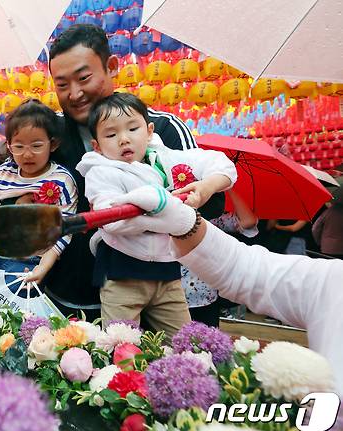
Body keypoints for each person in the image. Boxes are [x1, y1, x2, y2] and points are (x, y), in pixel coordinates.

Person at [107, 184, 343, 394]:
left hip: (203, 298)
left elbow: (247, 224)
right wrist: (183, 222)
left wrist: (228, 184)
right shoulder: (332, 280)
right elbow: (243, 268)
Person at [44, 24, 212, 319]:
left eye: (84, 78)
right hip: (69, 299)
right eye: (61, 85)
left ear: (111, 67)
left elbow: (202, 204)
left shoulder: (162, 130)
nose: (74, 93)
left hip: (156, 296)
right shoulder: (49, 136)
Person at [75, 93, 236, 333]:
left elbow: (222, 164)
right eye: (111, 134)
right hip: (121, 275)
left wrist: (206, 187)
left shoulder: (166, 158)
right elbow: (113, 221)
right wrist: (167, 210)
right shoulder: (100, 172)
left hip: (168, 274)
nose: (124, 139)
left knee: (184, 344)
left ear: (149, 130)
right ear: (96, 146)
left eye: (133, 128)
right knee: (121, 348)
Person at [0, 99, 78, 286]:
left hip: (29, 264)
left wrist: (42, 267)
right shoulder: (2, 173)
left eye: (37, 145)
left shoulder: (61, 180)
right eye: (19, 146)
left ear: (53, 144)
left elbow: (64, 231)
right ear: (9, 146)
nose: (27, 154)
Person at [181, 190, 257, 327]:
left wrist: (227, 185)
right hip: (168, 298)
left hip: (205, 300)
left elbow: (248, 221)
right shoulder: (166, 218)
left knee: (206, 346)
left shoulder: (210, 223)